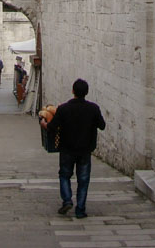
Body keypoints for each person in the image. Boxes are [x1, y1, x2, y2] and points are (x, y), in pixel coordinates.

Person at [44, 79, 105, 219]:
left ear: (73, 91)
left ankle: (67, 200)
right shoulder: (93, 108)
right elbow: (102, 125)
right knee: (83, 180)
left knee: (65, 175)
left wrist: (43, 123)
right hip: (85, 150)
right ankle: (80, 210)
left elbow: (52, 127)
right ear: (87, 92)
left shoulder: (63, 109)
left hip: (67, 148)